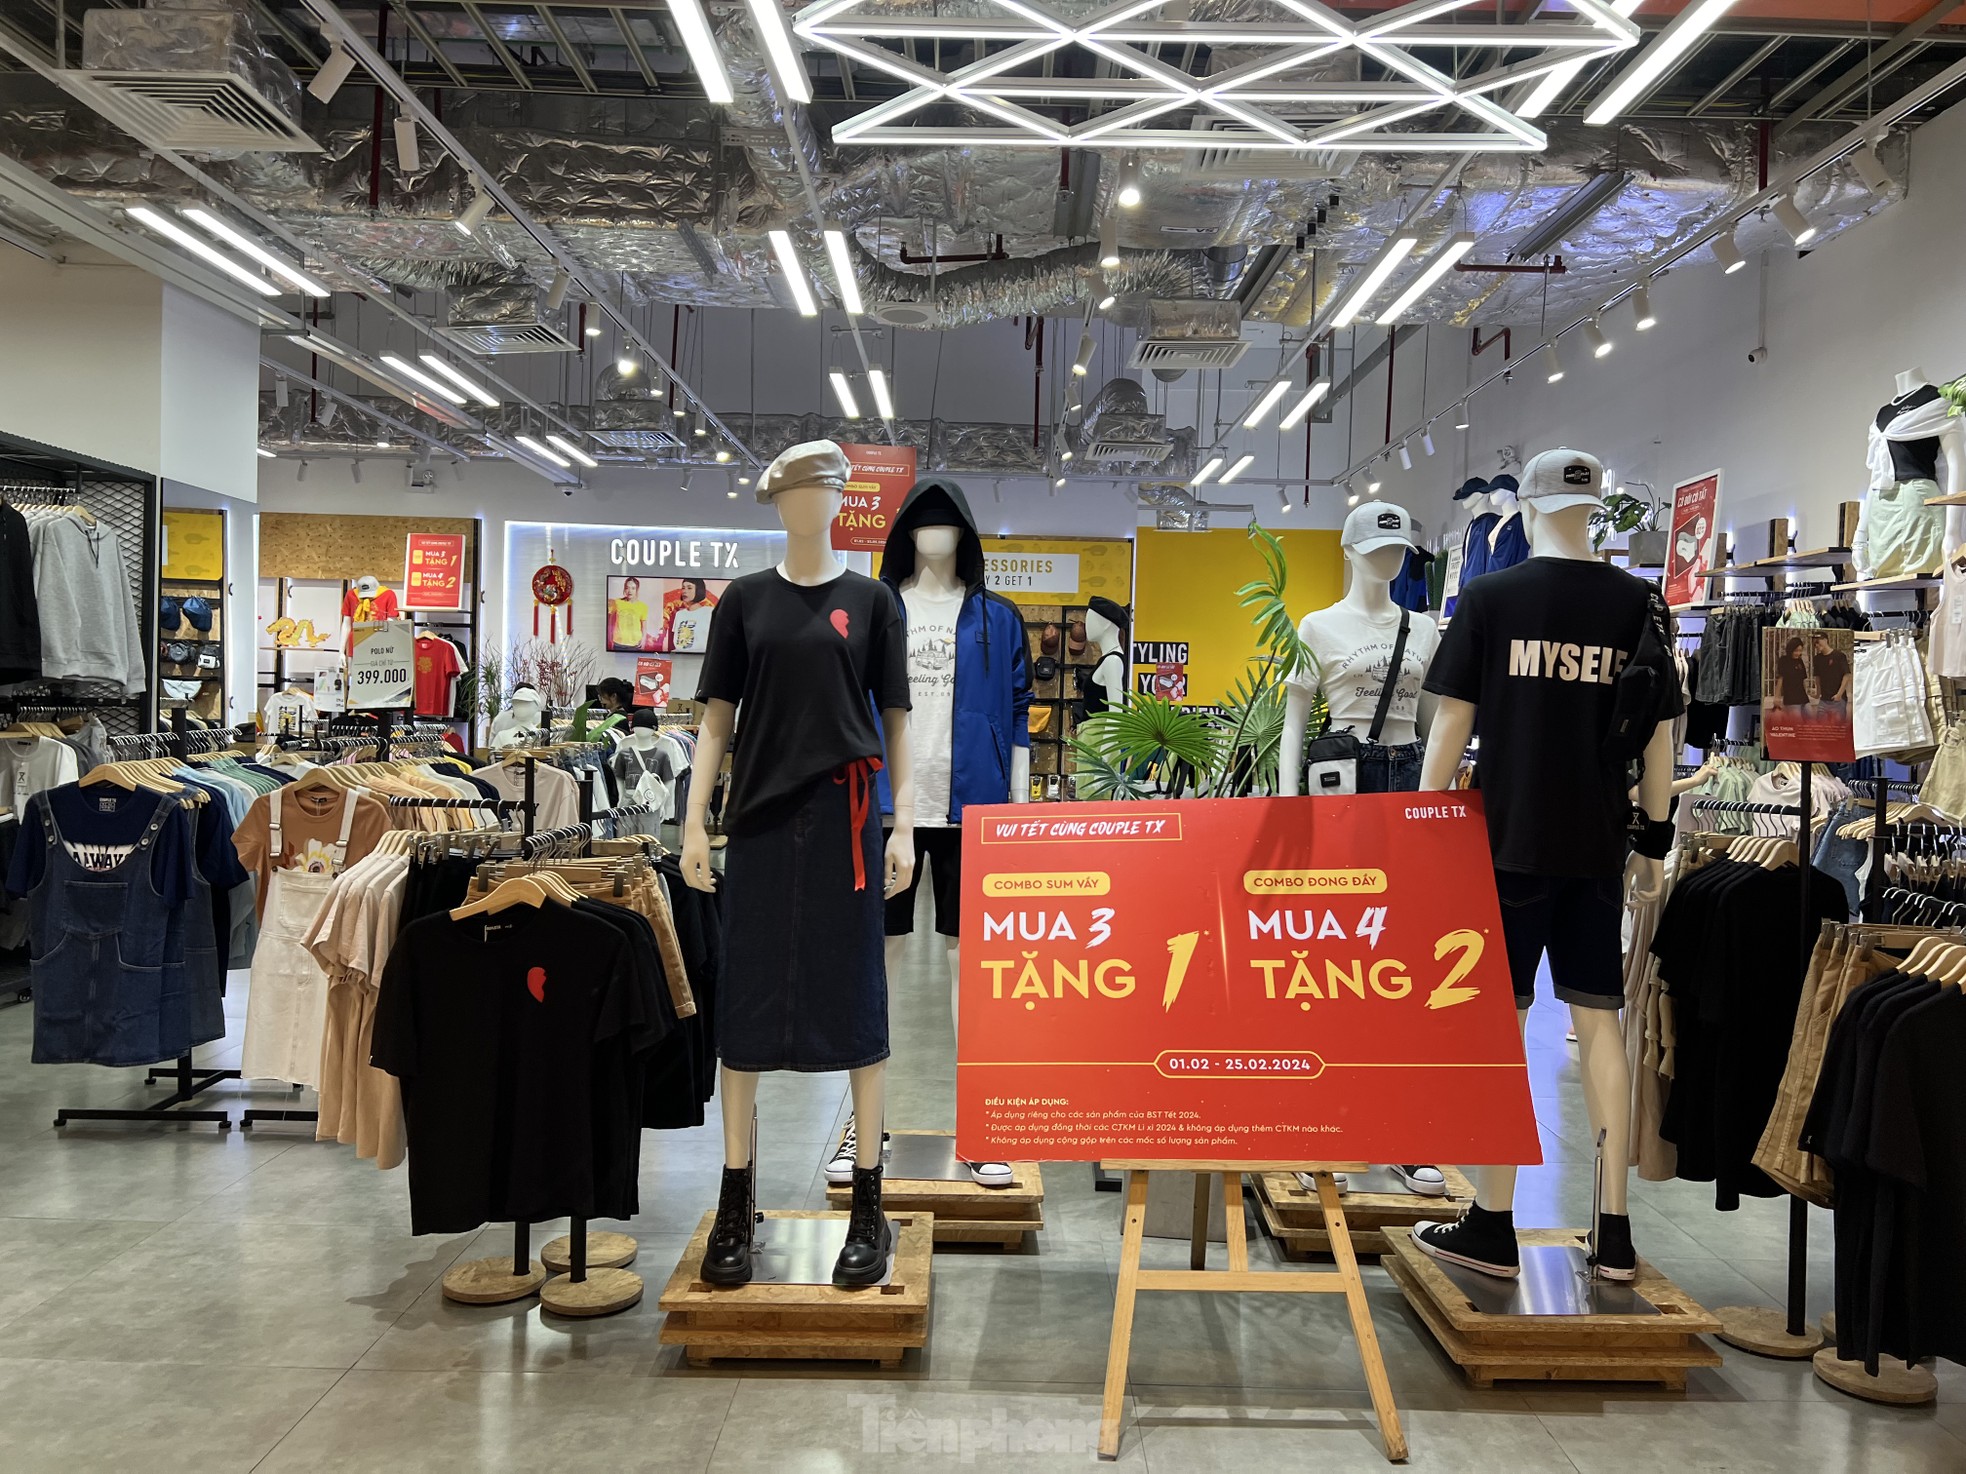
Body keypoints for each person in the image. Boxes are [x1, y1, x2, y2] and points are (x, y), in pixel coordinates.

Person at [664, 577, 719, 653]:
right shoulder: (679, 614)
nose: (684, 591)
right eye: (683, 588)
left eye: (689, 588)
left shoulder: (709, 612)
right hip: (680, 657)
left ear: (698, 590)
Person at [1813, 631, 1852, 711]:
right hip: (1823, 700)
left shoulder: (1839, 656)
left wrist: (1839, 694)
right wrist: (1818, 693)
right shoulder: (1817, 659)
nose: (1816, 645)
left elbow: (1847, 675)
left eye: (1817, 642)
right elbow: (1817, 677)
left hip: (1838, 700)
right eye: (1814, 644)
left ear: (1825, 640)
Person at [610, 577, 649, 651]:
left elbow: (644, 627)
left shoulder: (643, 606)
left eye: (633, 588)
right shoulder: (617, 602)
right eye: (627, 588)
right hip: (618, 643)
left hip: (635, 644)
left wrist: (643, 640)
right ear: (624, 589)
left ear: (637, 590)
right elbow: (611, 620)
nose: (630, 591)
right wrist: (610, 637)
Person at [1775, 636, 1810, 710]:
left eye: (1800, 651)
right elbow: (1780, 679)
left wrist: (1807, 691)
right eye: (1796, 650)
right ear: (1790, 649)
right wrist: (1777, 697)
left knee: (1811, 718)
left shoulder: (1800, 661)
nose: (1798, 653)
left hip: (1803, 696)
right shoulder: (1784, 660)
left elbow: (1803, 679)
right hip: (1791, 698)